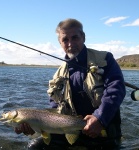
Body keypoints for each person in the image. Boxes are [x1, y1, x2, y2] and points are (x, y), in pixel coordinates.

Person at [15, 18, 126, 150]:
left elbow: (116, 88)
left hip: (104, 129)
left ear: (83, 37)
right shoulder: (58, 76)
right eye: (65, 40)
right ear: (60, 43)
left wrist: (100, 118)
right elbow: (55, 109)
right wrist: (35, 126)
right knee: (34, 147)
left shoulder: (104, 59)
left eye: (75, 38)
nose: (70, 44)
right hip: (70, 130)